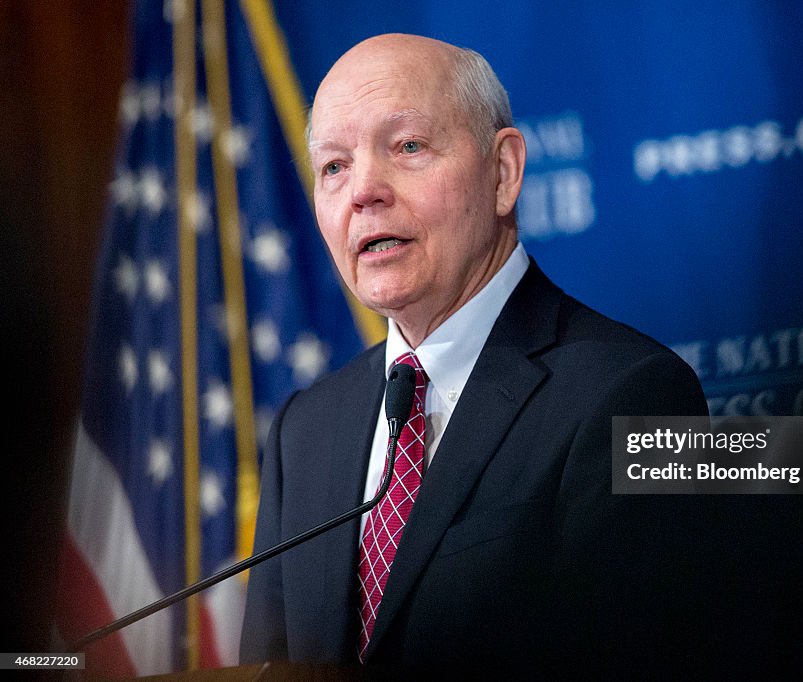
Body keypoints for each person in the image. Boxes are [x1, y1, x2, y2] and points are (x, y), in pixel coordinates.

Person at [240, 33, 707, 676]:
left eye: (407, 147)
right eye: (334, 166)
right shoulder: (305, 431)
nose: (363, 191)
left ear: (504, 173)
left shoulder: (634, 395)